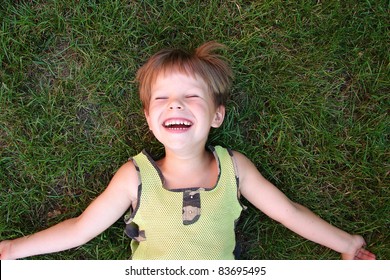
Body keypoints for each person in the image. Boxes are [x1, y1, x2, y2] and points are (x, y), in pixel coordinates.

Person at [0, 41, 376, 260]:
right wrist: (13, 249)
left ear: (216, 116)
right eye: (162, 99)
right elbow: (81, 229)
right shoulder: (134, 177)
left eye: (191, 97)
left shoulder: (234, 169)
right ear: (149, 118)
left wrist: (346, 244)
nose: (175, 105)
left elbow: (288, 212)